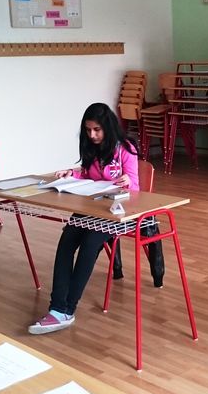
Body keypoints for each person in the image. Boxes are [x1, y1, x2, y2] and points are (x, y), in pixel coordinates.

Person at [29, 103, 140, 334]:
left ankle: (67, 309)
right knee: (66, 243)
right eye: (88, 130)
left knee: (90, 244)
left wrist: (128, 181)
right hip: (92, 206)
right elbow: (88, 173)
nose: (92, 135)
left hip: (117, 210)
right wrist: (72, 173)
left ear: (108, 127)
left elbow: (136, 189)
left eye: (97, 130)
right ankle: (57, 307)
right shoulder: (92, 146)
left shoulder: (125, 148)